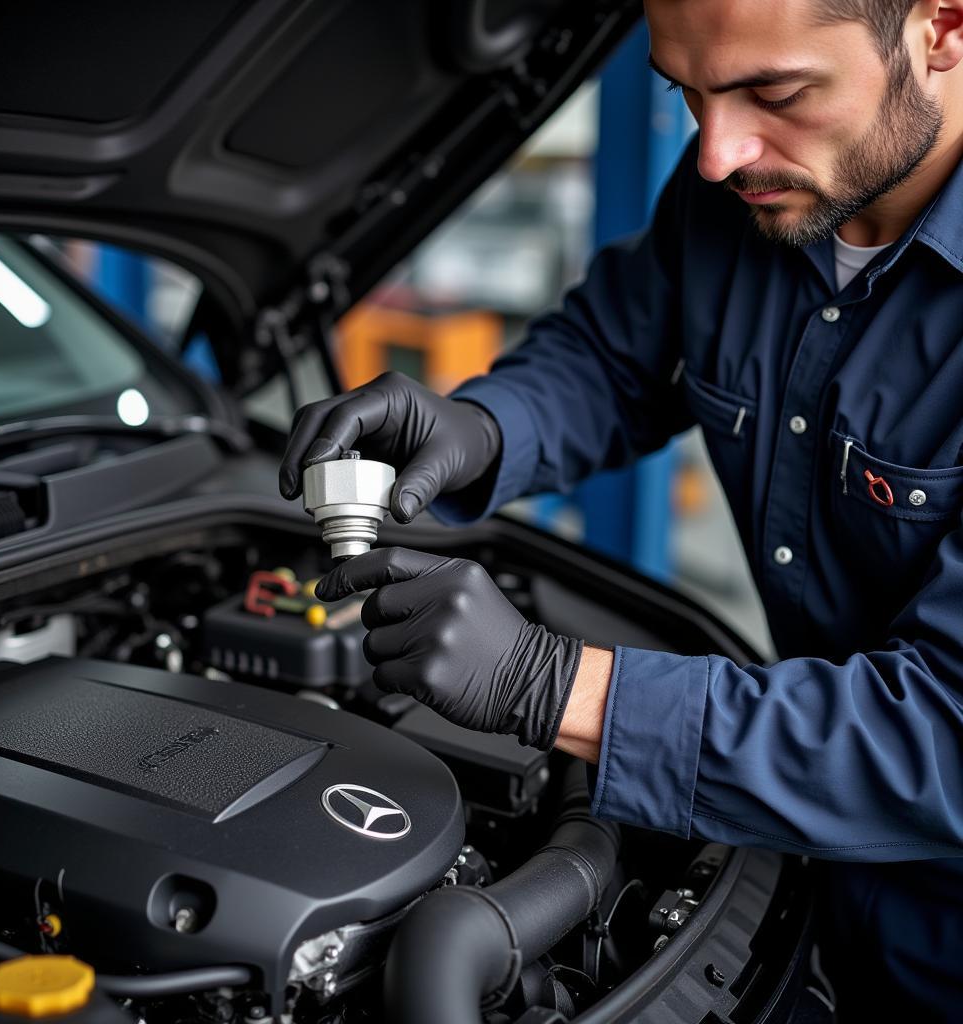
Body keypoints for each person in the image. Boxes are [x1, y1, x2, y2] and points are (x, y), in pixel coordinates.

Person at [280, 0, 963, 1016]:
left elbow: (944, 737)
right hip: (809, 880)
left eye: (772, 93)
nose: (716, 154)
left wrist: (553, 684)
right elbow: (612, 357)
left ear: (941, 28)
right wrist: (479, 428)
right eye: (687, 95)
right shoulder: (740, 197)